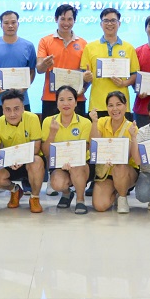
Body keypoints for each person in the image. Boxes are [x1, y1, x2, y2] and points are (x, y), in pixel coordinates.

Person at [0, 90, 45, 213]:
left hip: (29, 160)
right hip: (8, 163)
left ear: (23, 108)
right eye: (7, 109)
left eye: (16, 109)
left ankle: (34, 197)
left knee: (37, 161)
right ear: (2, 110)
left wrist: (21, 159)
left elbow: (36, 147)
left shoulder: (32, 118)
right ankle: (15, 190)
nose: (12, 114)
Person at [42, 85, 93, 214]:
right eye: (61, 100)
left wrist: (71, 160)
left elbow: (84, 149)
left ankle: (80, 200)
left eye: (70, 99)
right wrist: (52, 133)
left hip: (81, 164)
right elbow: (46, 153)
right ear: (56, 102)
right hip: (59, 165)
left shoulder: (85, 122)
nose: (66, 103)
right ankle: (66, 193)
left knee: (76, 167)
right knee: (57, 183)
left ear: (76, 102)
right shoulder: (48, 121)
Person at [80, 8, 139, 117]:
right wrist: (85, 77)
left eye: (113, 20)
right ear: (101, 24)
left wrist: (123, 83)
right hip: (97, 105)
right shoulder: (90, 47)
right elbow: (84, 73)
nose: (110, 24)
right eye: (106, 21)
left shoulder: (129, 48)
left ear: (119, 23)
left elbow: (134, 74)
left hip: (121, 105)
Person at [88, 91, 140, 213]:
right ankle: (115, 191)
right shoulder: (101, 122)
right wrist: (94, 122)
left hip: (125, 170)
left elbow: (128, 157)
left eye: (118, 104)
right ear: (107, 108)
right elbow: (93, 146)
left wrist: (133, 137)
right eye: (110, 105)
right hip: (106, 171)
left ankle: (122, 197)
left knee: (120, 167)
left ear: (125, 106)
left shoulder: (132, 127)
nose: (115, 109)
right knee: (100, 206)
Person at [0, 11, 37, 123]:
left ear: (18, 24)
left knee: (24, 132)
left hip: (21, 100)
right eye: (6, 23)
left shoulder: (29, 46)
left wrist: (24, 87)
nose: (10, 25)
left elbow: (32, 71)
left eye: (13, 22)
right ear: (1, 25)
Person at [36, 4, 88, 118]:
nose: (66, 23)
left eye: (70, 19)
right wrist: (44, 64)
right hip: (51, 98)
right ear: (56, 19)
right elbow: (39, 69)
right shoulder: (45, 41)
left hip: (76, 98)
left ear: (74, 20)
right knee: (50, 129)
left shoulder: (83, 43)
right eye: (62, 19)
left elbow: (87, 73)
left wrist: (84, 88)